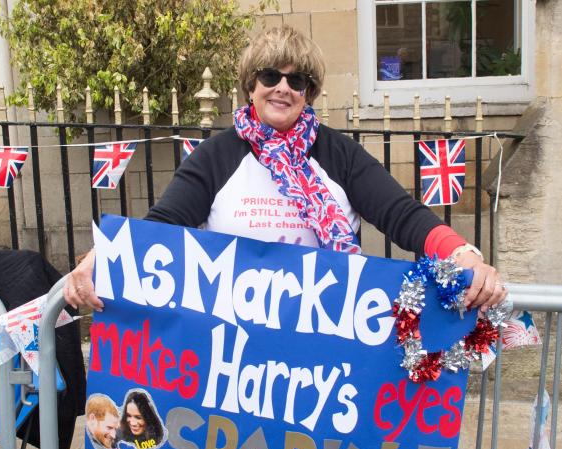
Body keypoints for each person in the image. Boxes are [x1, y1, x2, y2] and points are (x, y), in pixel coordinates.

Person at [63, 25, 506, 315]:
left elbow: (401, 214)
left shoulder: (338, 154)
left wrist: (463, 254)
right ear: (250, 85)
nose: (282, 88)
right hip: (235, 337)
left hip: (325, 331)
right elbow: (163, 224)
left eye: (297, 81)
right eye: (271, 75)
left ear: (309, 92)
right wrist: (103, 255)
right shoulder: (218, 155)